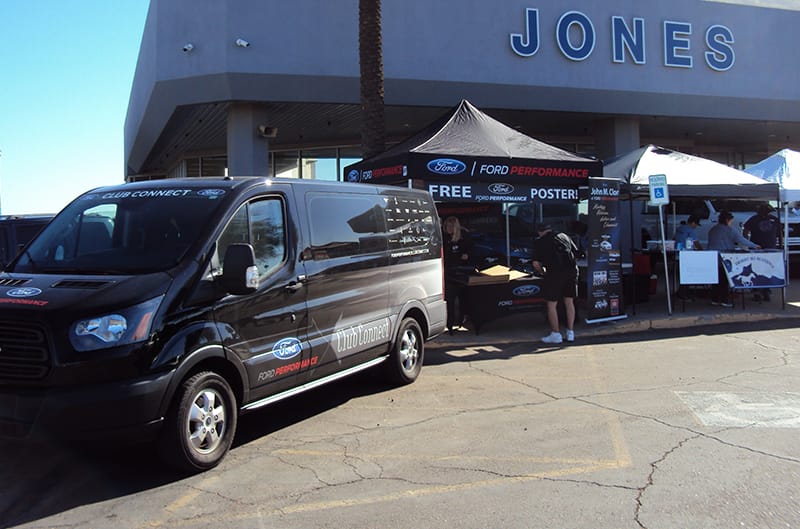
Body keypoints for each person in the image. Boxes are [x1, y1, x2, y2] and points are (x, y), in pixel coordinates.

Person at [532, 224, 578, 344]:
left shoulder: (540, 242)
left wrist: (542, 272)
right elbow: (577, 253)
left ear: (540, 232)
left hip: (554, 274)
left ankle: (555, 334)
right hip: (572, 272)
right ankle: (570, 333)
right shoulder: (564, 236)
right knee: (569, 302)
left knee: (552, 304)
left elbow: (536, 264)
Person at [707, 210, 760, 307]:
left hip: (712, 257)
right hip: (724, 257)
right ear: (727, 220)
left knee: (715, 279)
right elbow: (741, 239)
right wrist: (755, 245)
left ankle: (714, 299)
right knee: (724, 279)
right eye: (731, 221)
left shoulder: (713, 229)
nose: (731, 223)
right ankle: (724, 299)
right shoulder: (730, 230)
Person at [743, 203, 780, 301]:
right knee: (756, 269)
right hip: (757, 248)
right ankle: (758, 291)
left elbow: (780, 233)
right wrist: (748, 243)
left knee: (766, 269)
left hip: (769, 248)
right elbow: (745, 231)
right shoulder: (754, 219)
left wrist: (779, 245)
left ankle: (765, 290)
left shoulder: (774, 219)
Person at [442, 216, 472, 334]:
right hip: (449, 273)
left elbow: (470, 249)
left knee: (463, 299)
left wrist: (466, 255)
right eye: (447, 226)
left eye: (450, 227)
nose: (448, 229)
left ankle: (461, 321)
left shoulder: (464, 236)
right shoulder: (444, 237)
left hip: (461, 272)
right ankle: (449, 324)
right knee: (450, 300)